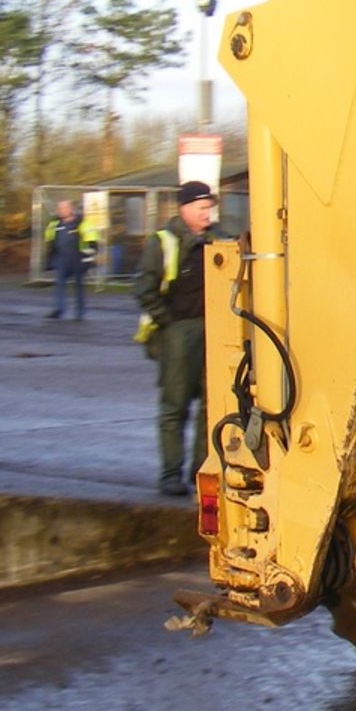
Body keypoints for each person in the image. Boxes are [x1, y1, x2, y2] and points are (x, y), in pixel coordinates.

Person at [135, 180, 217, 497]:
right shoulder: (163, 243)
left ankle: (202, 472)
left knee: (212, 406)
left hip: (212, 329)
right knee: (175, 405)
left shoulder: (215, 241)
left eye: (210, 208)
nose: (208, 214)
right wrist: (169, 324)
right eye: (202, 208)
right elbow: (144, 290)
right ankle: (171, 474)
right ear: (185, 209)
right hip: (179, 332)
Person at [43, 198, 96, 319]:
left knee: (78, 287)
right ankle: (59, 309)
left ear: (70, 209)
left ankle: (80, 313)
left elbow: (92, 242)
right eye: (60, 208)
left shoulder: (82, 223)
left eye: (64, 208)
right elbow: (50, 241)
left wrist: (88, 259)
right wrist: (51, 258)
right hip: (61, 259)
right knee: (59, 285)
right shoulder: (54, 224)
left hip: (78, 259)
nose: (61, 211)